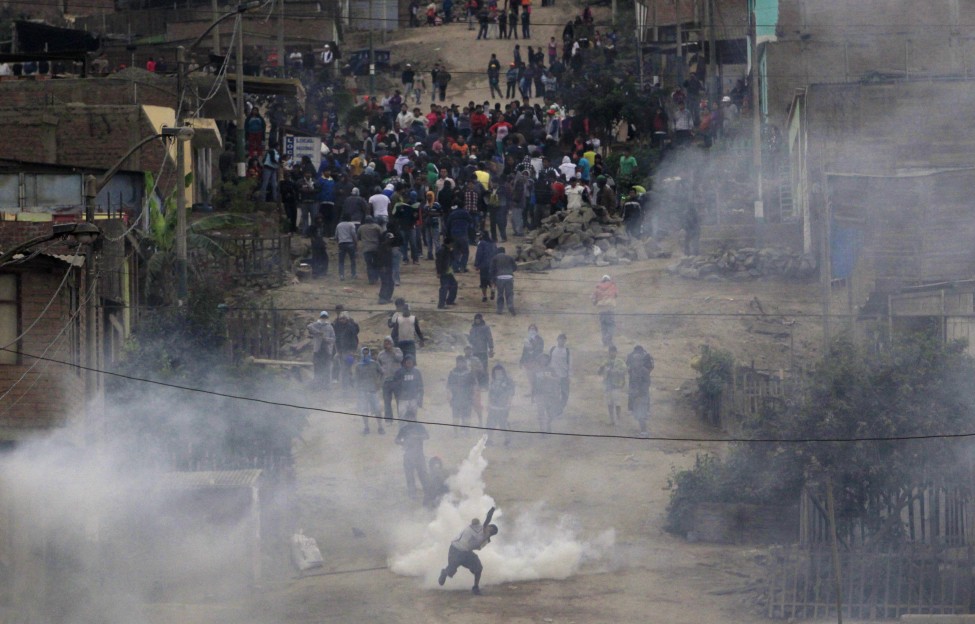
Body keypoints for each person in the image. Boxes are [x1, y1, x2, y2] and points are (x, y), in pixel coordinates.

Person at [438, 507, 498, 594]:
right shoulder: (481, 528)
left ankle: (475, 587)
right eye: (491, 529)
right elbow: (484, 521)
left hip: (465, 553)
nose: (490, 532)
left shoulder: (485, 538)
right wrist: (491, 512)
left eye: (492, 533)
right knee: (451, 571)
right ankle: (444, 573)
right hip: (456, 549)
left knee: (478, 568)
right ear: (487, 527)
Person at [395, 421, 429, 499]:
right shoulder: (404, 429)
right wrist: (403, 443)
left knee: (423, 474)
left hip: (419, 455)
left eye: (412, 419)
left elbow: (427, 436)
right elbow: (396, 440)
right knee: (409, 475)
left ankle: (427, 491)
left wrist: (416, 437)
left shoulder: (419, 427)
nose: (411, 421)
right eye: (409, 419)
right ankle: (412, 493)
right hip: (408, 456)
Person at [354, 347, 385, 434]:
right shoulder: (358, 366)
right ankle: (366, 427)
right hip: (363, 391)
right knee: (364, 410)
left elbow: (382, 373)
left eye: (367, 353)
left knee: (377, 409)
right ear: (361, 354)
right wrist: (358, 389)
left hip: (373, 391)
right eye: (364, 353)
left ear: (369, 354)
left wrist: (380, 383)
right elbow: (356, 379)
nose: (365, 355)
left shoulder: (375, 364)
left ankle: (380, 427)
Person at [626, 345, 654, 437]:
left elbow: (646, 385)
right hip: (636, 395)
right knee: (638, 414)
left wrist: (639, 394)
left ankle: (644, 432)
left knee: (641, 415)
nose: (635, 363)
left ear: (640, 362)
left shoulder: (644, 371)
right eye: (634, 361)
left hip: (642, 396)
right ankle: (642, 431)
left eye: (637, 361)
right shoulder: (634, 370)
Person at [447, 355, 477, 434]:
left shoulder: (469, 372)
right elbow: (449, 386)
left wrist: (473, 396)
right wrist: (449, 396)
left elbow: (474, 385)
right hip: (455, 397)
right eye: (458, 362)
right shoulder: (452, 373)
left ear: (464, 363)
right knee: (455, 415)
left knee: (466, 415)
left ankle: (466, 430)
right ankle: (456, 431)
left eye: (462, 362)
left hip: (467, 397)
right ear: (456, 363)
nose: (460, 364)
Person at [598, 345, 628, 426]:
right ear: (609, 353)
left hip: (616, 385)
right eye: (610, 352)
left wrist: (614, 372)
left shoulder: (620, 362)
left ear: (616, 352)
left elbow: (624, 371)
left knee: (617, 403)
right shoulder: (605, 361)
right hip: (608, 385)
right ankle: (612, 419)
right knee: (610, 403)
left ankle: (618, 419)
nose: (612, 353)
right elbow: (599, 372)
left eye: (613, 352)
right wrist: (601, 368)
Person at [487, 363, 515, 446]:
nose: (498, 374)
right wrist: (488, 404)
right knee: (490, 423)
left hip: (503, 406)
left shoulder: (508, 381)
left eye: (500, 372)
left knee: (503, 423)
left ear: (503, 372)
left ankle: (507, 439)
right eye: (496, 372)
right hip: (493, 406)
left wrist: (508, 403)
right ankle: (489, 439)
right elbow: (490, 393)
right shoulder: (493, 382)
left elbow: (510, 393)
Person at [390, 355, 425, 421]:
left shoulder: (417, 372)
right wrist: (398, 396)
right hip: (403, 399)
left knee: (413, 417)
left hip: (413, 398)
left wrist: (420, 398)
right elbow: (395, 385)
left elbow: (420, 386)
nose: (409, 364)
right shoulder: (399, 372)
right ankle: (402, 430)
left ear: (413, 363)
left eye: (410, 362)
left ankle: (413, 430)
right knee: (402, 417)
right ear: (404, 363)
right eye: (407, 362)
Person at [533, 353, 561, 432]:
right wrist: (533, 395)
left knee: (549, 413)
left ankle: (548, 426)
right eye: (541, 359)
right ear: (539, 360)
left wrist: (550, 378)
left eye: (545, 359)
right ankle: (542, 430)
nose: (543, 360)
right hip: (539, 394)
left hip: (550, 394)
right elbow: (533, 383)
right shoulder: (535, 370)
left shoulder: (551, 369)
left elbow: (558, 380)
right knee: (540, 413)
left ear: (548, 360)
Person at [307, 311, 335, 389]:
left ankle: (326, 386)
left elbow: (333, 338)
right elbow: (309, 326)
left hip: (326, 351)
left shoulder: (330, 327)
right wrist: (318, 332)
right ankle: (317, 385)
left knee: (326, 368)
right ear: (320, 317)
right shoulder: (316, 324)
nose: (324, 319)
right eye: (322, 317)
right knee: (317, 368)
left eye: (325, 317)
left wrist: (327, 339)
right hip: (317, 350)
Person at [379, 337, 404, 423]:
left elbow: (400, 359)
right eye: (385, 343)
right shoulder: (381, 354)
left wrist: (392, 351)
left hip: (397, 380)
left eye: (388, 342)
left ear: (392, 343)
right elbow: (379, 367)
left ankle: (401, 419)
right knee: (387, 401)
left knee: (399, 401)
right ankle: (388, 420)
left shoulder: (397, 350)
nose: (387, 344)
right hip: (386, 381)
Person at [591, 275, 619, 348]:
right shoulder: (612, 285)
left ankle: (604, 342)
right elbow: (616, 295)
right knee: (611, 325)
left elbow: (593, 301)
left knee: (603, 326)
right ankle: (608, 340)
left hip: (601, 310)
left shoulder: (598, 288)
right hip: (609, 309)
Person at [489, 246, 517, 315]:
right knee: (509, 293)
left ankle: (500, 309)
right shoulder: (510, 257)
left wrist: (493, 280)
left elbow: (492, 270)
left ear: (498, 252)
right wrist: (510, 271)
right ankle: (510, 305)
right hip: (509, 277)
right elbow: (515, 267)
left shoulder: (495, 258)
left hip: (500, 278)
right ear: (504, 251)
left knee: (500, 294)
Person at [548, 333, 571, 415]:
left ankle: (560, 408)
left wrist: (569, 376)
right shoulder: (552, 349)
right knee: (554, 394)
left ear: (565, 341)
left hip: (564, 376)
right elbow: (548, 361)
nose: (561, 341)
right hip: (554, 376)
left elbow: (570, 364)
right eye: (560, 339)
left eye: (563, 339)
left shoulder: (567, 351)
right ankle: (554, 410)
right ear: (557, 340)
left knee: (565, 395)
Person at [519, 323, 544, 396]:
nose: (532, 330)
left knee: (537, 377)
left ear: (536, 331)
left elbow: (540, 350)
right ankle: (532, 391)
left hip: (536, 361)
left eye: (533, 329)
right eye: (530, 329)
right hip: (527, 362)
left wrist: (532, 351)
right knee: (530, 377)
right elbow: (524, 351)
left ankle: (538, 391)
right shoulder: (527, 339)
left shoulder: (539, 339)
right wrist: (521, 361)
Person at [358, 215, 383, 284]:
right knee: (376, 264)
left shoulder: (361, 227)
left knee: (369, 265)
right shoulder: (377, 227)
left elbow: (358, 237)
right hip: (376, 248)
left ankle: (371, 280)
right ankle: (376, 277)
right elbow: (382, 236)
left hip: (366, 248)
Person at [473, 232, 497, 303]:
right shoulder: (493, 243)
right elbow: (496, 253)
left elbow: (479, 254)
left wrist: (477, 265)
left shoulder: (481, 243)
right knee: (492, 278)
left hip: (484, 265)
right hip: (492, 265)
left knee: (483, 281)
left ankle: (484, 296)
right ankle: (492, 288)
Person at [436, 238, 458, 309]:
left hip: (449, 271)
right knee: (444, 288)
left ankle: (449, 301)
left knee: (454, 285)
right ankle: (441, 304)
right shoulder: (441, 251)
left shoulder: (448, 250)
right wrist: (439, 272)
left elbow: (453, 258)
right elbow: (438, 262)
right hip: (444, 272)